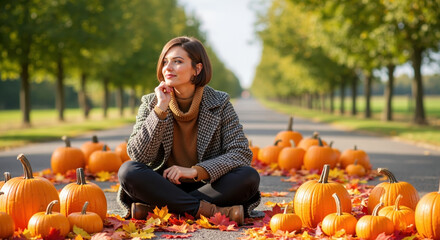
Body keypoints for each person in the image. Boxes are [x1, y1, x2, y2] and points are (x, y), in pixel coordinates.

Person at [117, 36, 261, 225]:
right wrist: (160, 109)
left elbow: (240, 152)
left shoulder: (220, 102)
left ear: (197, 69)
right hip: (163, 186)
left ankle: (160, 209)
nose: (168, 68)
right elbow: (139, 156)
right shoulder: (151, 102)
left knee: (248, 176)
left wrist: (195, 171)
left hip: (207, 186)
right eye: (165, 62)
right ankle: (209, 211)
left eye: (178, 61)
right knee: (129, 171)